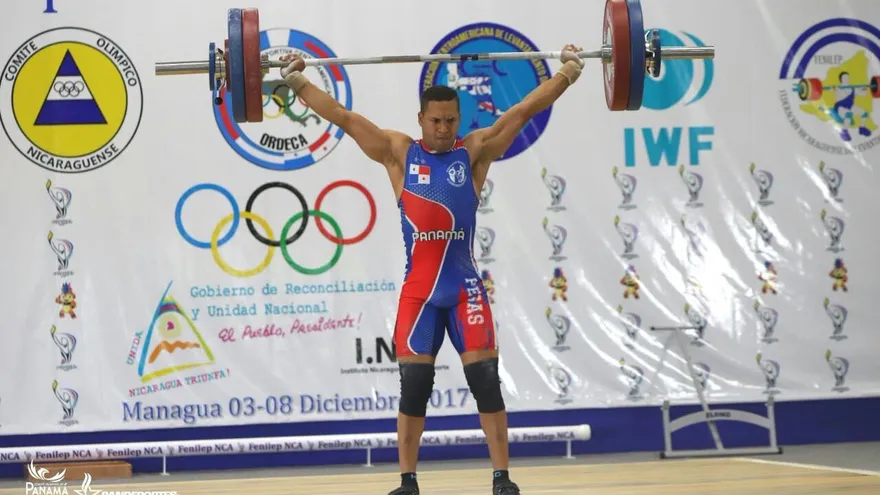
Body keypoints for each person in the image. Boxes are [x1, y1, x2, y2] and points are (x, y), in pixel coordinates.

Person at [280, 44, 585, 495]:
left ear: (459, 120)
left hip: (464, 290)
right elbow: (343, 117)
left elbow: (522, 112)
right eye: (436, 121)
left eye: (451, 121)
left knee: (485, 381)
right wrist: (297, 82)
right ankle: (408, 482)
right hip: (420, 293)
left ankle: (502, 478)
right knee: (415, 385)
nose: (443, 129)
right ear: (421, 119)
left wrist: (568, 74)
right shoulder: (398, 152)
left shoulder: (474, 151)